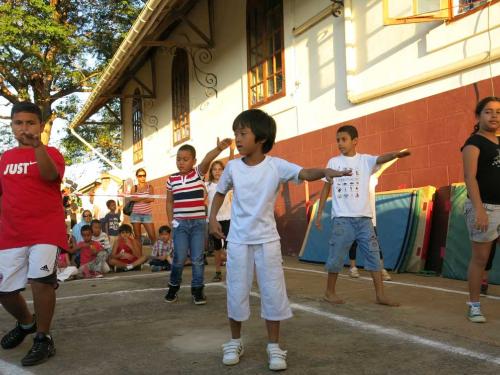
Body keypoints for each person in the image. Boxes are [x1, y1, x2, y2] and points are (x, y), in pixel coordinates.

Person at [209, 109, 350, 371]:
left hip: (267, 241)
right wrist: (212, 219)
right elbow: (219, 193)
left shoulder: (276, 166)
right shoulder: (232, 167)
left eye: (243, 133)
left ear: (261, 138)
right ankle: (234, 341)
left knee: (272, 292)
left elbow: (305, 173)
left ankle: (274, 346)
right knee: (236, 291)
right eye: (235, 134)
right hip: (239, 240)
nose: (237, 139)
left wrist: (325, 171)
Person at [0, 102, 66, 366]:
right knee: (4, 292)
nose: (24, 128)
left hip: (45, 229)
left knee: (41, 281)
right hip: (11, 232)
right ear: (12, 126)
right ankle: (27, 323)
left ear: (39, 126)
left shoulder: (51, 152)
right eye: (18, 123)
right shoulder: (4, 159)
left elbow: (50, 176)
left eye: (30, 123)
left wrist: (38, 146)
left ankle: (43, 337)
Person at [315, 125, 410, 306]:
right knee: (336, 256)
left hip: (365, 219)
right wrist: (319, 214)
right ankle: (329, 292)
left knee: (374, 256)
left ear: (355, 141)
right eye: (338, 140)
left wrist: (395, 155)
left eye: (344, 139)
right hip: (342, 219)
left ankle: (380, 295)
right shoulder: (333, 162)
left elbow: (381, 158)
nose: (340, 143)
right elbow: (326, 187)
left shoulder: (365, 160)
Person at [164, 137, 233, 305]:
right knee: (179, 257)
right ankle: (173, 286)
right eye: (178, 159)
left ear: (193, 161)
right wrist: (171, 223)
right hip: (180, 225)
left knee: (197, 258)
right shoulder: (171, 179)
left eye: (185, 159)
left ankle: (197, 290)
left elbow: (207, 159)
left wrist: (218, 149)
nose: (181, 162)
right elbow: (169, 202)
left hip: (198, 225)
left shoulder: (198, 174)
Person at [462, 96, 500, 323]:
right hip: (484, 207)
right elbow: (470, 177)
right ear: (478, 117)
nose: (494, 115)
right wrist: (479, 210)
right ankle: (474, 305)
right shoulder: (473, 143)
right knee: (480, 259)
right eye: (488, 111)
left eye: (498, 111)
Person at [206, 143, 235, 282]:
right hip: (214, 220)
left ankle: (232, 271)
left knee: (230, 247)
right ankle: (218, 271)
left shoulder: (228, 183)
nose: (217, 172)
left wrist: (231, 150)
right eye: (214, 169)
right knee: (217, 248)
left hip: (228, 218)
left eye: (220, 169)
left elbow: (231, 165)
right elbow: (202, 199)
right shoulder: (208, 185)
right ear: (211, 172)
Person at [130, 168, 156, 252]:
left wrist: (139, 198)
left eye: (144, 175)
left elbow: (152, 199)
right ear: (137, 177)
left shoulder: (150, 186)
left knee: (152, 236)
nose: (142, 177)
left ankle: (158, 256)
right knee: (137, 237)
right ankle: (139, 257)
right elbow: (132, 199)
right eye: (140, 176)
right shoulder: (134, 187)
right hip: (135, 214)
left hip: (147, 214)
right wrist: (145, 197)